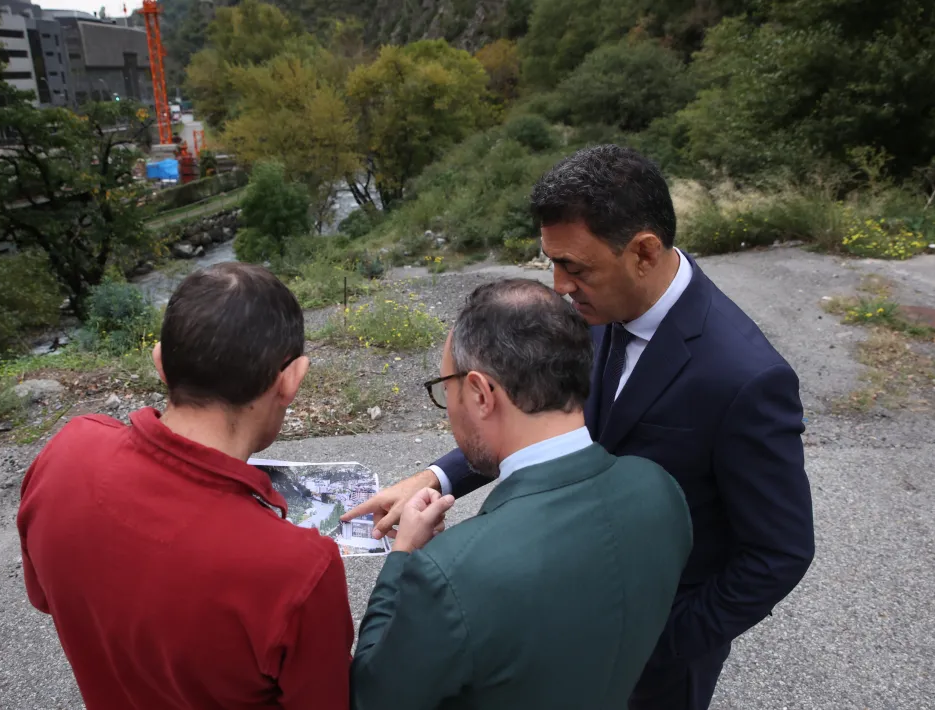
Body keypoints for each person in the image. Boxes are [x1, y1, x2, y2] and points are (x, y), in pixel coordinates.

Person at [344, 145, 816, 710]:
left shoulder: (744, 377)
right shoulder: (590, 312)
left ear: (643, 252)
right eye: (552, 261)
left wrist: (653, 640)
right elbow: (535, 415)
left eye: (575, 266)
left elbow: (779, 552)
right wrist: (435, 479)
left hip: (657, 664)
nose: (558, 285)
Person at [17, 263, 353, 710]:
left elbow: (46, 599)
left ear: (160, 363)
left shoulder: (66, 450)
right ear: (291, 379)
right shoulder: (301, 570)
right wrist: (401, 570)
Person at [350, 279, 693, 710]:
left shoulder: (449, 572)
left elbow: (373, 694)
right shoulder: (661, 491)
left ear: (479, 393)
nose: (449, 409)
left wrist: (401, 557)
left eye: (447, 389)